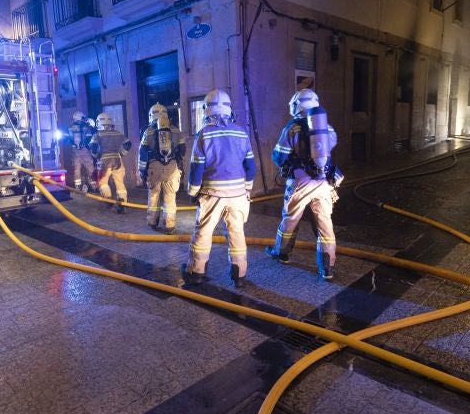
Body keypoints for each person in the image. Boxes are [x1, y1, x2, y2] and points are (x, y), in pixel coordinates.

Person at [266, 88, 343, 280]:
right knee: (325, 223)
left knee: (290, 218)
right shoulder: (326, 127)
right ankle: (327, 268)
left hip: (300, 181)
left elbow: (279, 156)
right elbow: (331, 144)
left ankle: (282, 253)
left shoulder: (292, 128)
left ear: (296, 105)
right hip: (324, 180)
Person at [181, 89, 256, 288]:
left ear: (207, 110)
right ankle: (239, 276)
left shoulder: (204, 134)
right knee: (236, 233)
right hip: (238, 194)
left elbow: (197, 168)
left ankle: (196, 272)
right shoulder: (241, 132)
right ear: (229, 109)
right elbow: (250, 166)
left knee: (203, 232)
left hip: (212, 194)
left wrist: (192, 192)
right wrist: (247, 188)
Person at [139, 103, 186, 234]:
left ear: (151, 115)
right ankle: (170, 226)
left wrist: (142, 172)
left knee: (153, 196)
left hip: (154, 169)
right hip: (172, 168)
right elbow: (183, 151)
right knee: (170, 198)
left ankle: (152, 222)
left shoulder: (148, 131)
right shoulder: (176, 130)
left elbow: (142, 154)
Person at [89, 112, 132, 213]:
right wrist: (121, 154)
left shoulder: (97, 134)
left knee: (102, 182)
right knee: (119, 182)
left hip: (104, 161)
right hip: (118, 160)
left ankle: (109, 200)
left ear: (99, 123)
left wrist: (95, 156)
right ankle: (123, 203)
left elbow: (93, 146)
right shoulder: (118, 133)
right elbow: (128, 144)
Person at [66, 110, 97, 192]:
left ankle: (78, 186)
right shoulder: (85, 126)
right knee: (90, 167)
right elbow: (89, 137)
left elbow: (67, 139)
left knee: (77, 168)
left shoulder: (69, 126)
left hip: (74, 150)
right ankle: (93, 186)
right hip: (84, 150)